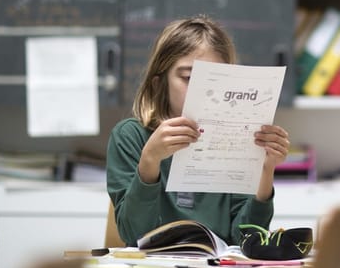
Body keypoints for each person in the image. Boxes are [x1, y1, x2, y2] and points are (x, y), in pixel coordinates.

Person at [106, 15, 290, 247]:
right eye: (188, 78)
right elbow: (135, 235)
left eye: (216, 81)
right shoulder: (130, 137)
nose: (203, 91)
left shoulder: (241, 138)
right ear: (159, 83)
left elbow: (246, 238)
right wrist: (150, 160)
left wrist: (265, 172)